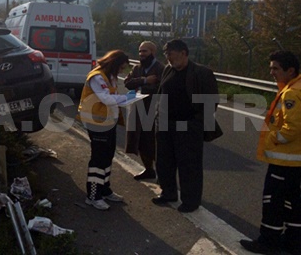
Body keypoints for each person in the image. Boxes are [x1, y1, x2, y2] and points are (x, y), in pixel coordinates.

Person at [240, 51, 301, 254]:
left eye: (275, 68)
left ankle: (268, 242)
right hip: (294, 163)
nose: (271, 72)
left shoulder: (292, 93)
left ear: (290, 70)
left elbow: (292, 128)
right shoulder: (295, 88)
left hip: (285, 162)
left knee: (273, 202)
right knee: (293, 202)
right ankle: (293, 241)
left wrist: (274, 138)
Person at [151, 39, 219, 213]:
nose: (169, 59)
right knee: (164, 162)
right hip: (166, 125)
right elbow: (161, 94)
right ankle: (168, 193)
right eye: (166, 56)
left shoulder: (202, 73)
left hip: (188, 126)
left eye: (171, 55)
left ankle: (190, 201)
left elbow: (211, 102)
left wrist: (195, 123)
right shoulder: (168, 70)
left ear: (183, 53)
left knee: (189, 166)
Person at [77, 50, 134, 210]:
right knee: (98, 159)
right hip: (97, 123)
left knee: (108, 156)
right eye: (121, 67)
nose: (122, 71)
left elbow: (111, 98)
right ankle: (93, 195)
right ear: (115, 64)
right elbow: (106, 99)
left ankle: (105, 189)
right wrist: (126, 98)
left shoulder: (110, 77)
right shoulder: (97, 76)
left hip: (108, 122)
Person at [124, 41, 165, 180]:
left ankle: (162, 174)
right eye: (140, 51)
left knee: (152, 141)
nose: (141, 54)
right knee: (139, 140)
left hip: (154, 109)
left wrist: (145, 87)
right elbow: (128, 83)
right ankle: (149, 170)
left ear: (153, 52)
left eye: (145, 51)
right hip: (138, 107)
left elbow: (162, 88)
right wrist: (145, 80)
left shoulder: (161, 68)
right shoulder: (137, 68)